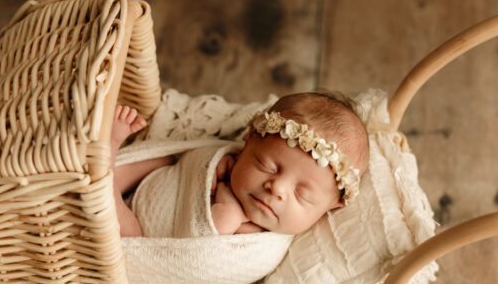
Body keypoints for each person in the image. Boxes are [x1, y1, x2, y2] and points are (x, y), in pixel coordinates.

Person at [110, 92, 368, 237]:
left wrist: (230, 210)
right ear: (247, 143)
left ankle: (105, 164)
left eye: (302, 194)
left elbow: (207, 250)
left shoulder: (262, 241)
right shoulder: (232, 162)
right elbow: (194, 159)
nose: (276, 188)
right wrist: (210, 164)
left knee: (125, 234)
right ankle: (109, 167)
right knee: (167, 158)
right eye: (266, 165)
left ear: (332, 206)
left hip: (142, 234)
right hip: (153, 183)